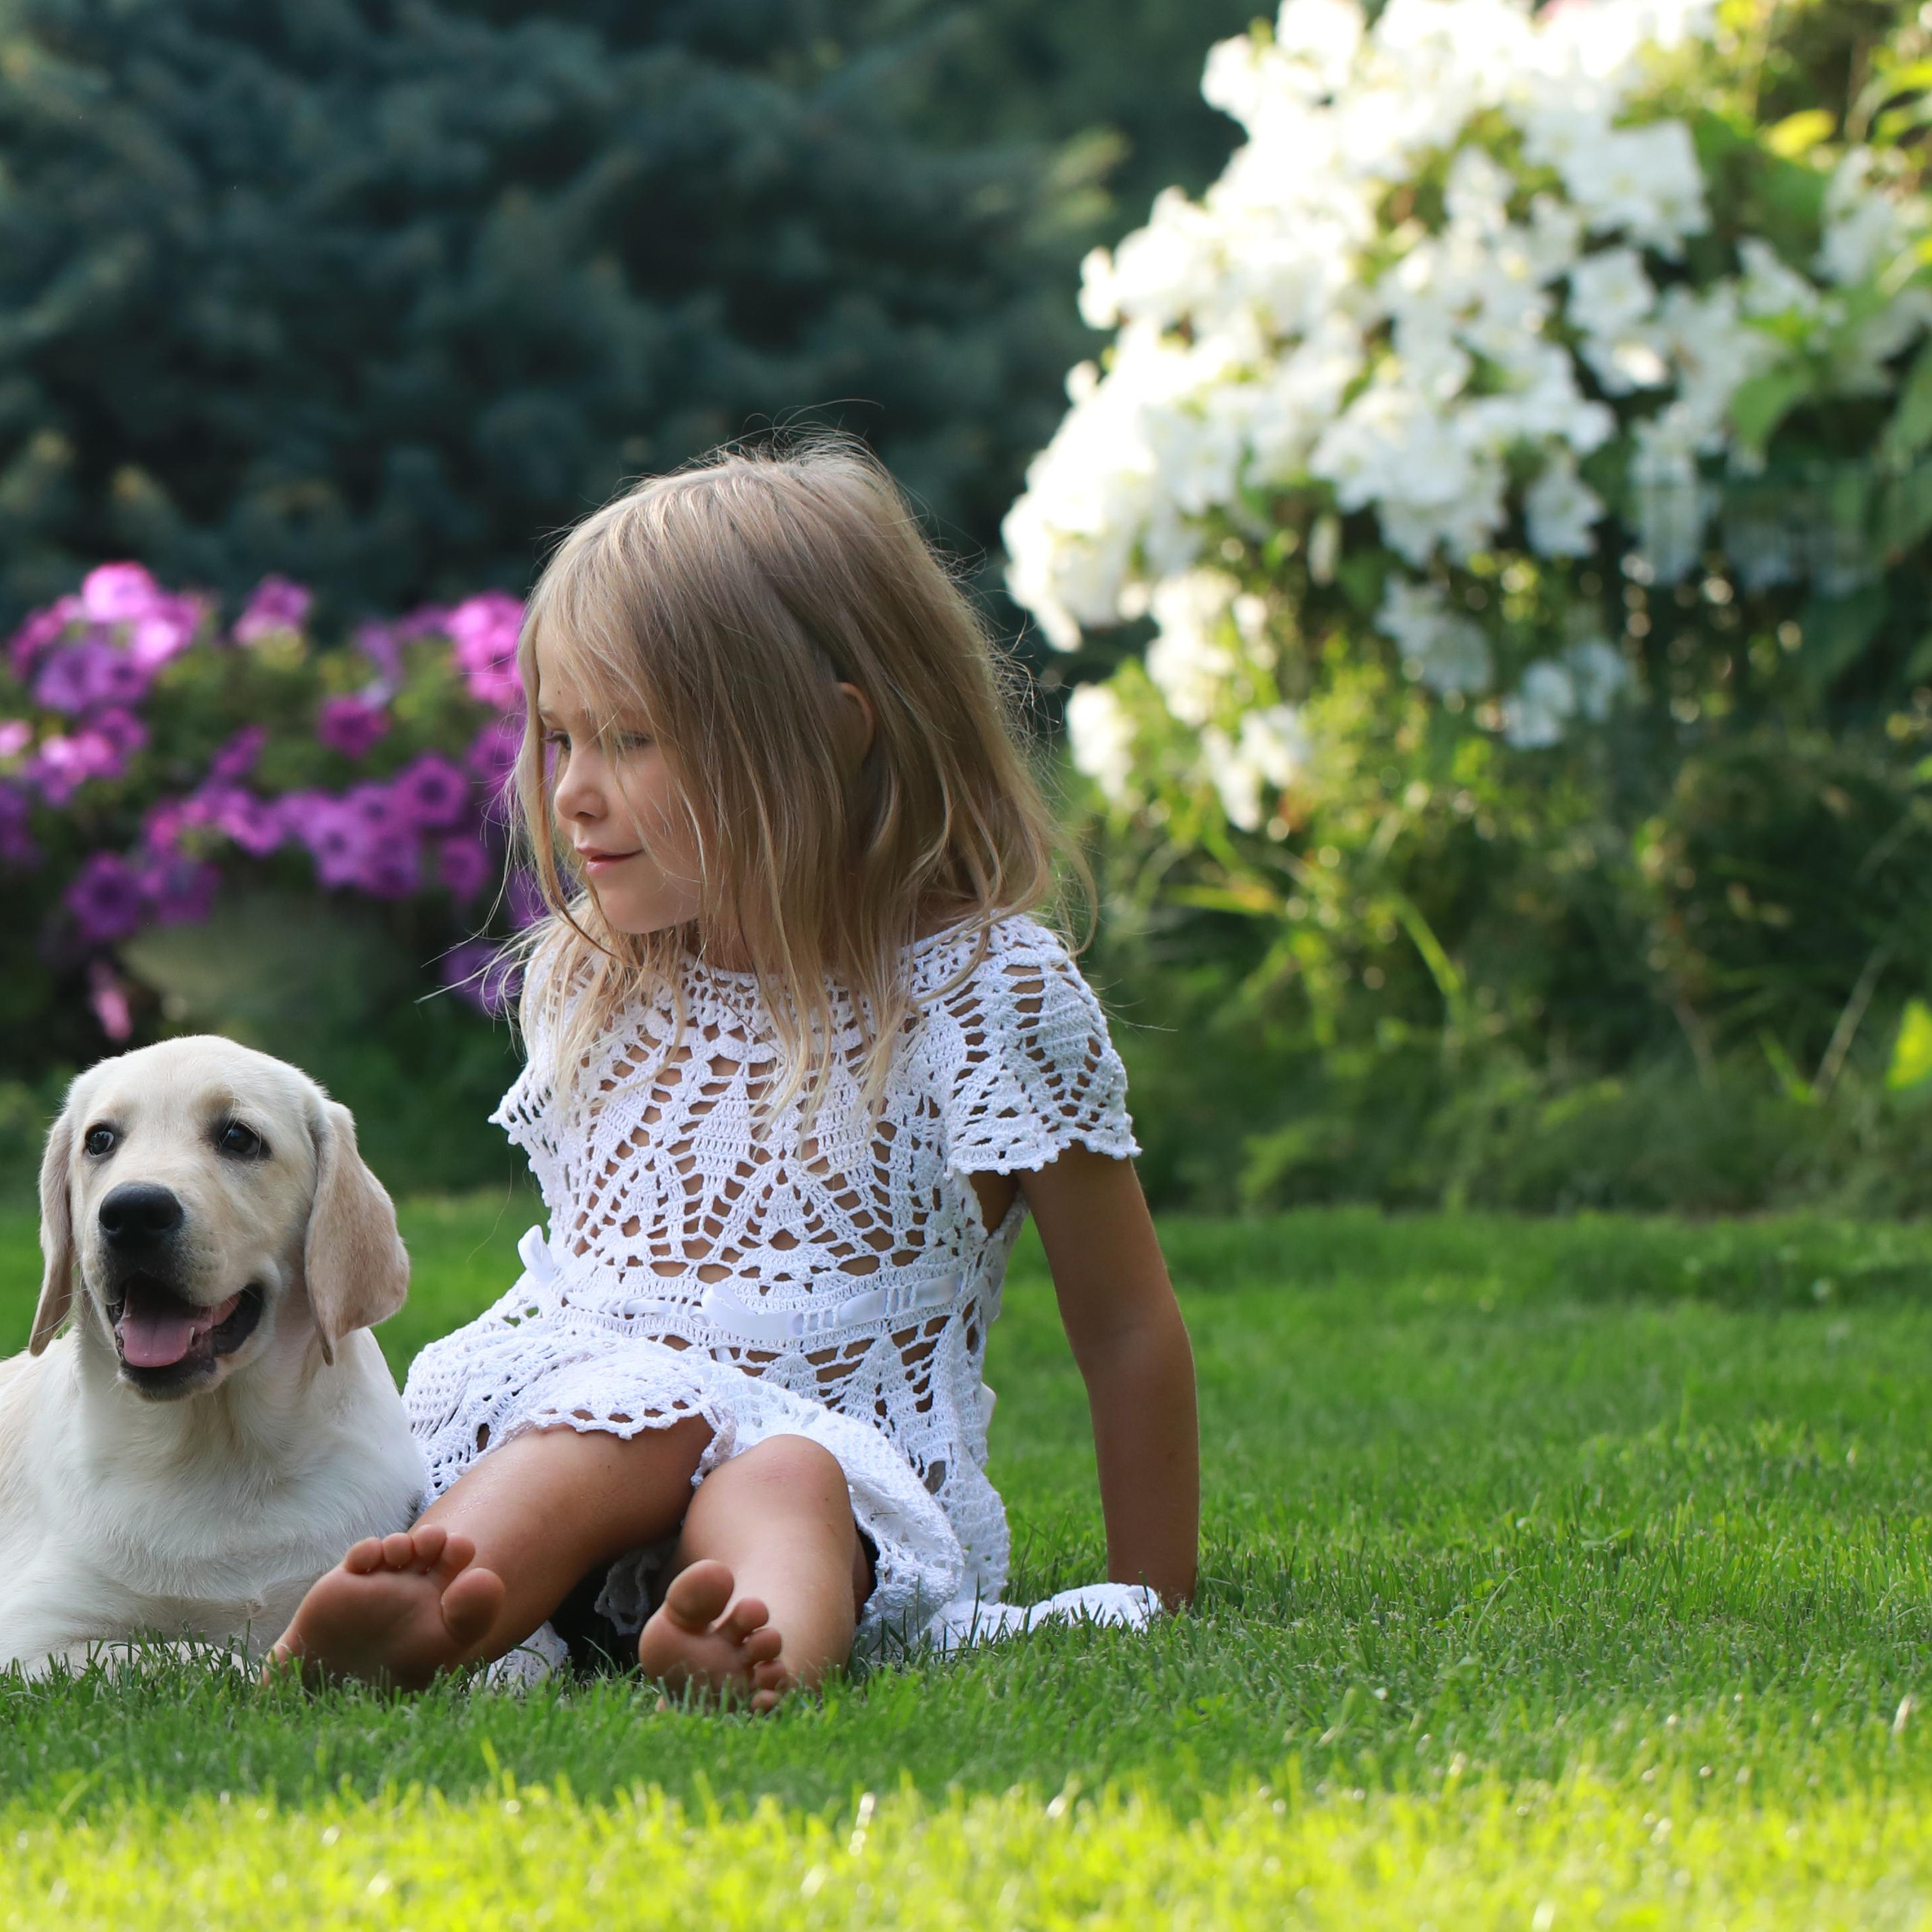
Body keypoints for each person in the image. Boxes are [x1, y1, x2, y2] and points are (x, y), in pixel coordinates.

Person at [268, 439, 1198, 1707]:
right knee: (615, 1426)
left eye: (634, 739)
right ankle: (447, 1598)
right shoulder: (601, 977)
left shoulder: (984, 994)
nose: (577, 793)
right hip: (586, 1466)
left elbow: (1127, 1320)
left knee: (785, 1479)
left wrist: (1159, 1586)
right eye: (559, 738)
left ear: (828, 738)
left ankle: (747, 1638)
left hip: (841, 1482)